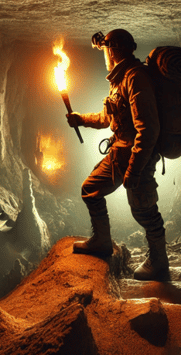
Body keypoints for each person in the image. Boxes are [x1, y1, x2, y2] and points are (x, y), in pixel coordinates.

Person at [66, 29, 169, 281]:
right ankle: (102, 241)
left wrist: (134, 169)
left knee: (143, 209)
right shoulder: (119, 79)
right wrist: (81, 119)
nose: (104, 55)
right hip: (119, 152)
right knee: (90, 188)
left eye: (105, 49)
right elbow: (107, 118)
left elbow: (148, 128)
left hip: (136, 156)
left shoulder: (135, 78)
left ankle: (159, 262)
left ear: (114, 50)